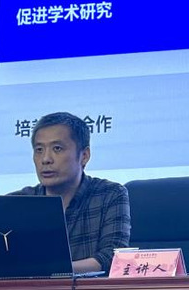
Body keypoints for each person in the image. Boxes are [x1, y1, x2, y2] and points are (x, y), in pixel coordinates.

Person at [12, 112, 130, 274]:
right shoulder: (17, 203)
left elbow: (113, 258)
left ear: (84, 156)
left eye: (57, 149)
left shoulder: (110, 194)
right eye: (39, 150)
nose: (45, 159)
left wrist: (51, 270)